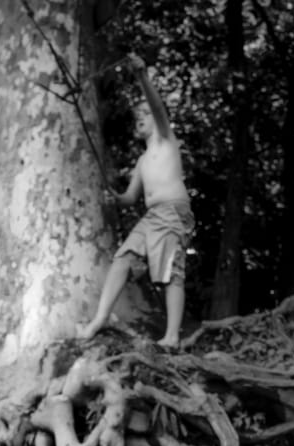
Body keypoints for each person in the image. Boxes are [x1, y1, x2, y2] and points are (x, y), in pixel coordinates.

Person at [78, 54, 195, 348]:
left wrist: (142, 76)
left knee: (171, 273)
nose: (140, 119)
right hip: (152, 216)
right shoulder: (142, 160)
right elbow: (131, 198)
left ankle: (171, 336)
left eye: (144, 115)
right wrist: (114, 197)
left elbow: (158, 109)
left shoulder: (165, 139)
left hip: (172, 212)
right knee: (122, 259)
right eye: (138, 116)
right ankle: (100, 318)